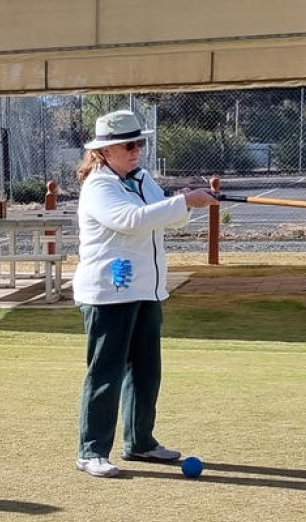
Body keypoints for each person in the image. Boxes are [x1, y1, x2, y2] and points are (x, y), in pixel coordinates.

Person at [73, 110, 219, 478]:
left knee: (146, 371)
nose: (136, 150)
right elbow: (131, 220)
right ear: (104, 151)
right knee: (106, 372)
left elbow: (168, 217)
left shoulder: (142, 178)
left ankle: (140, 442)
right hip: (109, 290)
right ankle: (91, 451)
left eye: (139, 143)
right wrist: (183, 202)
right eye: (128, 145)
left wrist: (184, 202)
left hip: (146, 289)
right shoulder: (99, 186)